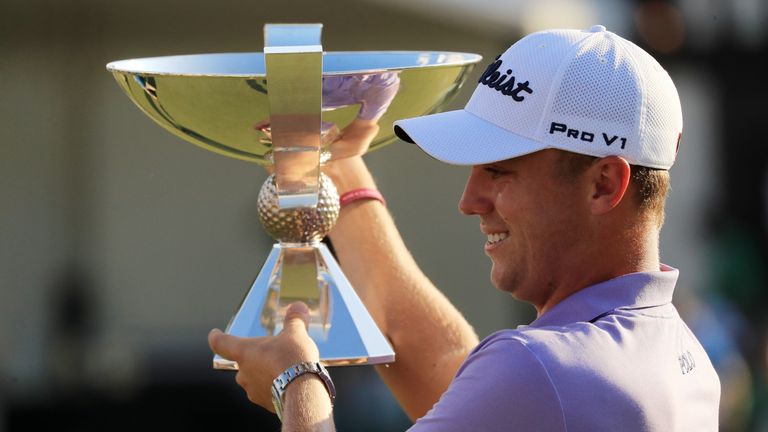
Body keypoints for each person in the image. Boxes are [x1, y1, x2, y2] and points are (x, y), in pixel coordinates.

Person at [208, 25, 721, 431]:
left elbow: (508, 383)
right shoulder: (681, 354)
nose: (468, 201)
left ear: (603, 184)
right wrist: (340, 165)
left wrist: (296, 386)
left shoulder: (537, 372)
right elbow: (446, 369)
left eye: (498, 171)